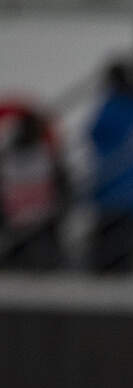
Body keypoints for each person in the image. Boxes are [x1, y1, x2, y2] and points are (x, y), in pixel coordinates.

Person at [88, 60, 133, 274]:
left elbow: (94, 133)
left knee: (108, 253)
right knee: (126, 253)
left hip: (112, 193)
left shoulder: (113, 107)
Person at [0, 104, 70, 270]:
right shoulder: (48, 157)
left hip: (37, 226)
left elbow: (63, 189)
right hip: (23, 226)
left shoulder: (47, 157)